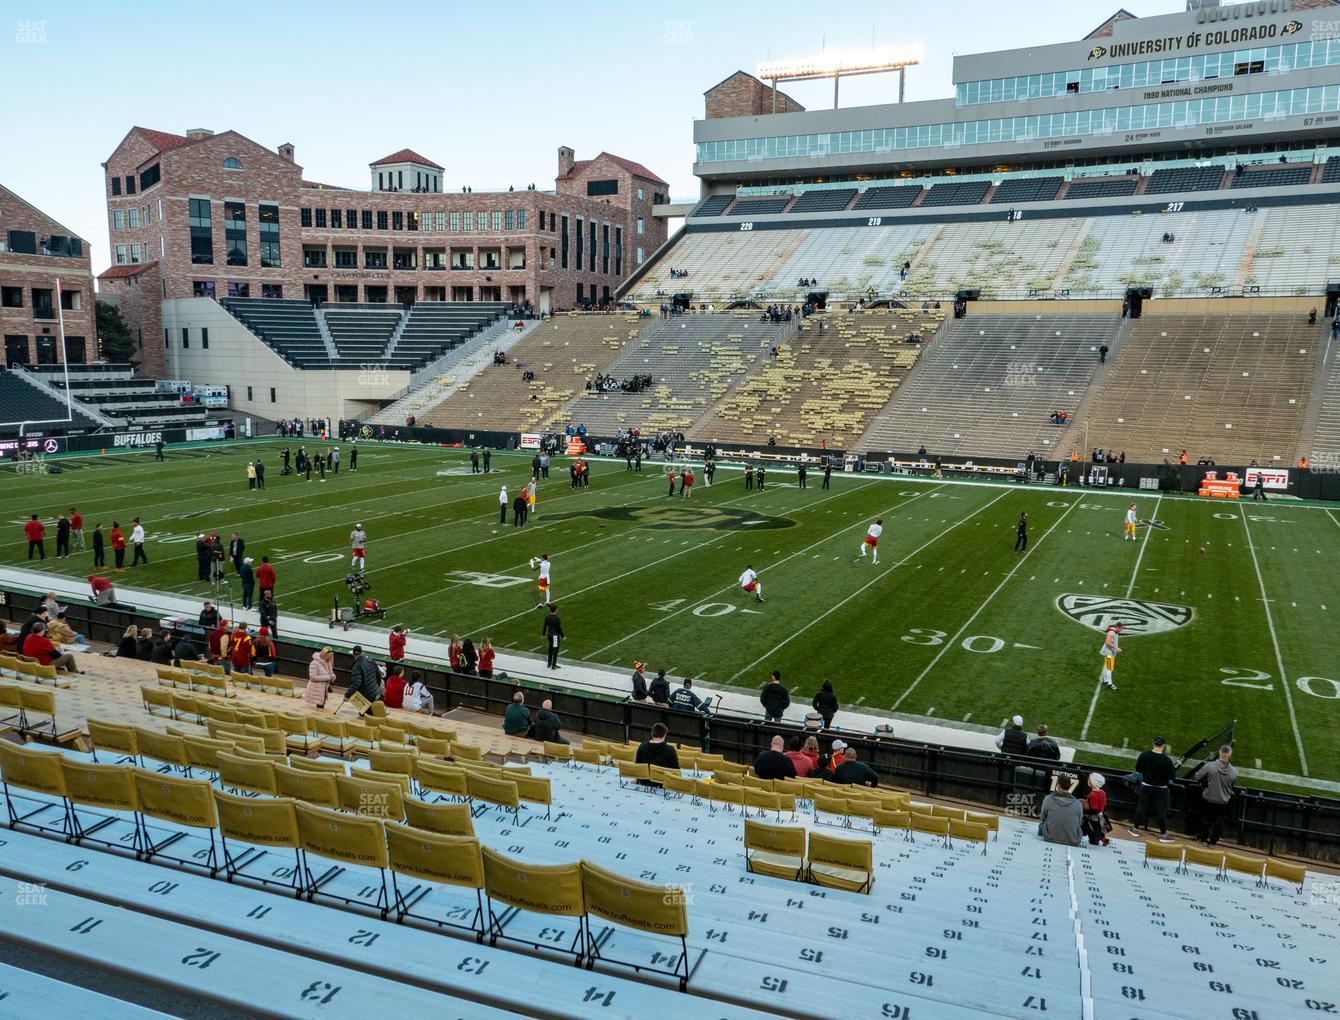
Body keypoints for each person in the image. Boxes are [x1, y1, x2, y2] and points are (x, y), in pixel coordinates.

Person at [1129, 737, 1177, 842]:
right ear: (1163, 746)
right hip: (1161, 789)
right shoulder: (1167, 761)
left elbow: (1138, 770)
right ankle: (1163, 835)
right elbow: (1172, 777)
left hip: (1145, 786)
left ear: (1153, 744)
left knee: (1140, 808)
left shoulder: (1144, 755)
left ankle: (1135, 829)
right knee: (1162, 812)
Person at [1194, 745, 1238, 846]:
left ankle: (1203, 840)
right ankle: (1213, 842)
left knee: (1205, 819)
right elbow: (1231, 785)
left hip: (1208, 798)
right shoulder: (1234, 772)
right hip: (1223, 802)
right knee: (1219, 821)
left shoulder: (1210, 766)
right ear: (1229, 755)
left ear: (1219, 753)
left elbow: (1197, 776)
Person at [1038, 775, 1083, 845]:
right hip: (1073, 840)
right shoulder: (1078, 803)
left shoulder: (1048, 799)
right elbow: (1079, 822)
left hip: (1049, 837)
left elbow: (1042, 817)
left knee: (1041, 824)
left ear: (1058, 786)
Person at [339, 645, 382, 712]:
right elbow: (378, 675)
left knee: (365, 716)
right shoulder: (370, 660)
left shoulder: (356, 667)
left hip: (365, 697)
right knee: (374, 715)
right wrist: (377, 687)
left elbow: (356, 683)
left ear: (353, 654)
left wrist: (347, 695)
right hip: (376, 693)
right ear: (362, 652)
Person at [1082, 773, 1110, 846]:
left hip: (1093, 818)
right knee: (1100, 831)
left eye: (1089, 779)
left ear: (1092, 782)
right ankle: (1103, 839)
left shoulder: (1093, 794)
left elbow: (1094, 808)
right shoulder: (1102, 792)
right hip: (1101, 815)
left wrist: (1085, 809)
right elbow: (1103, 804)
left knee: (1093, 833)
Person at [1099, 623, 1122, 692]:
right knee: (1109, 668)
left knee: (1107, 667)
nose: (1121, 630)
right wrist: (1116, 648)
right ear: (1118, 627)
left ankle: (1106, 681)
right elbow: (1107, 642)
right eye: (1121, 628)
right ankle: (1110, 683)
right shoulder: (1112, 632)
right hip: (1109, 653)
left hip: (1110, 652)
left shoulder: (1113, 631)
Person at [541, 603, 563, 669]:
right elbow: (559, 628)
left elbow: (545, 626)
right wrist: (562, 636)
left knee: (550, 649)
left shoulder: (547, 617)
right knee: (555, 650)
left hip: (549, 635)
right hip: (555, 636)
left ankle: (549, 664)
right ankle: (553, 665)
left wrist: (543, 634)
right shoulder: (557, 618)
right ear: (555, 610)